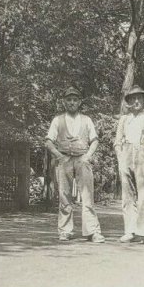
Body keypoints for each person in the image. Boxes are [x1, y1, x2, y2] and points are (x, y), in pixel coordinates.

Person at [46, 86, 105, 243]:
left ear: (79, 102)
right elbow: (48, 142)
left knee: (87, 196)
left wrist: (88, 156)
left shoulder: (87, 120)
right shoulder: (57, 120)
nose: (72, 102)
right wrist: (59, 156)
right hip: (64, 160)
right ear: (64, 102)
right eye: (69, 100)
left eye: (75, 100)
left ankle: (93, 231)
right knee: (64, 196)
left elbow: (95, 141)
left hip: (82, 159)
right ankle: (65, 230)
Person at [114, 85, 144, 247]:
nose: (136, 101)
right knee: (127, 195)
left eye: (139, 98)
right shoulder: (124, 119)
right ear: (128, 102)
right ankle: (130, 231)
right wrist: (120, 156)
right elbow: (117, 141)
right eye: (133, 98)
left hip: (143, 155)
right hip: (126, 155)